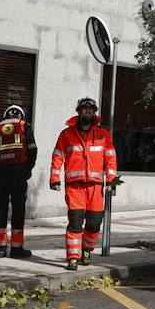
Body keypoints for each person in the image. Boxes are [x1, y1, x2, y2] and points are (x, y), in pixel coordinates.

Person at [49, 97, 119, 271]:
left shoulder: (104, 135)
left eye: (90, 109)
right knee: (75, 222)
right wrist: (54, 178)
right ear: (78, 112)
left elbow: (111, 159)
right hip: (75, 187)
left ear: (94, 113)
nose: (87, 111)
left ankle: (86, 250)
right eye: (84, 108)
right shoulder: (67, 134)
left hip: (96, 188)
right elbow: (58, 156)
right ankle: (73, 258)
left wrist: (112, 181)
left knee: (94, 224)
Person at [0, 104, 37, 258]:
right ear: (21, 116)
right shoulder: (24, 126)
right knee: (18, 211)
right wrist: (27, 170)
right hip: (18, 175)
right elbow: (32, 150)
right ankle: (16, 249)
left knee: (0, 211)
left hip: (0, 176)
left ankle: (0, 249)